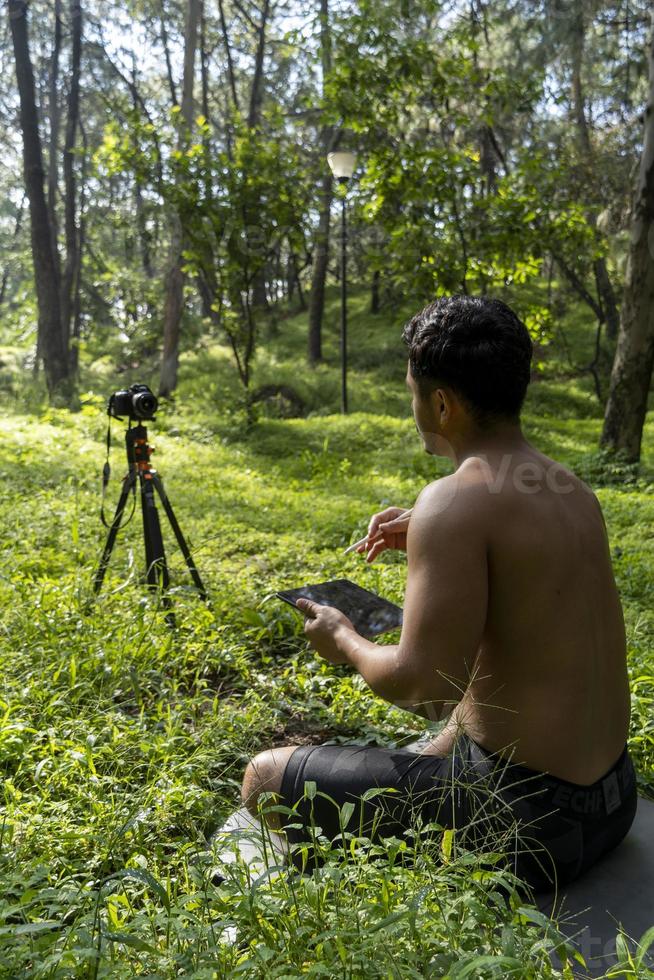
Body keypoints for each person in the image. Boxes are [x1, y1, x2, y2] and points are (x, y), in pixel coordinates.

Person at [240, 295, 637, 896]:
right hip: (614, 805)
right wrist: (439, 549)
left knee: (264, 778)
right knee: (441, 741)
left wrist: (343, 639)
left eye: (413, 393)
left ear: (442, 403)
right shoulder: (572, 489)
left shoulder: (452, 501)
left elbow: (425, 692)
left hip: (526, 829)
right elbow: (524, 612)